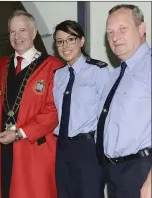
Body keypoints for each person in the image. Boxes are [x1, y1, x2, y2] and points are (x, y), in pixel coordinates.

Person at [0, 10, 63, 198]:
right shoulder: (1, 65)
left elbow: (53, 111)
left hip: (34, 149)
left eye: (22, 30)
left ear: (34, 33)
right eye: (12, 32)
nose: (17, 37)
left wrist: (20, 133)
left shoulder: (52, 66)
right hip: (2, 146)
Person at [96, 4, 151, 198]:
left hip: (142, 171)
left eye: (122, 29)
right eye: (110, 32)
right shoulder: (116, 74)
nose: (115, 38)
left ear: (141, 28)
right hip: (114, 173)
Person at [52, 20, 110, 198]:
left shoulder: (98, 71)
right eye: (60, 41)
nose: (65, 46)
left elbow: (107, 115)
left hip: (88, 149)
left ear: (82, 41)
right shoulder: (58, 75)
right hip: (62, 148)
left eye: (70, 39)